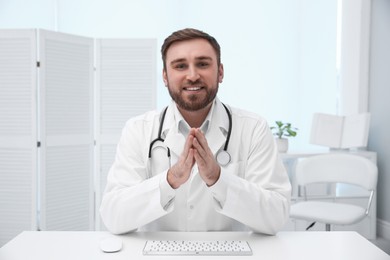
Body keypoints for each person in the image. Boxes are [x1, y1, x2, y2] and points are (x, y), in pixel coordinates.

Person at [100, 28, 291, 235]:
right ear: (165, 76)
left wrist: (218, 178)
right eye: (180, 66)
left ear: (220, 72)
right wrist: (170, 180)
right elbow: (114, 218)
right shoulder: (138, 130)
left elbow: (276, 217)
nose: (192, 75)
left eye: (203, 64)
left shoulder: (253, 129)